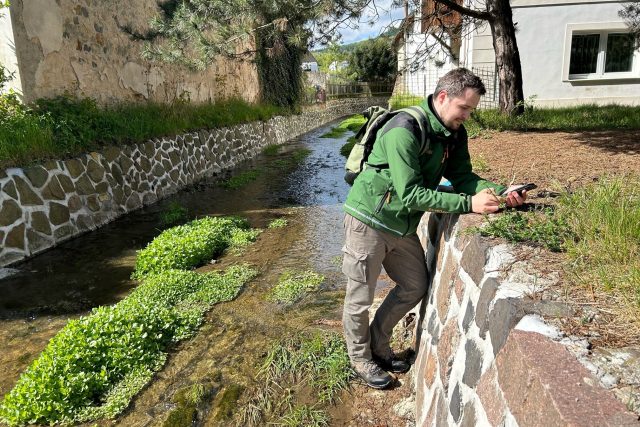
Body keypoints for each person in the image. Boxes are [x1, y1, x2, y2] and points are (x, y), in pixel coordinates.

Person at [341, 68, 527, 389]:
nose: (467, 116)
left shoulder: (454, 132)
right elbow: (410, 193)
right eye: (464, 108)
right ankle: (360, 359)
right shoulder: (404, 129)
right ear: (443, 98)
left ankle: (378, 347)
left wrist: (500, 192)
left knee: (414, 285)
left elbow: (464, 178)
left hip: (401, 225)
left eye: (471, 110)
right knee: (359, 299)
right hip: (368, 221)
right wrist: (470, 205)